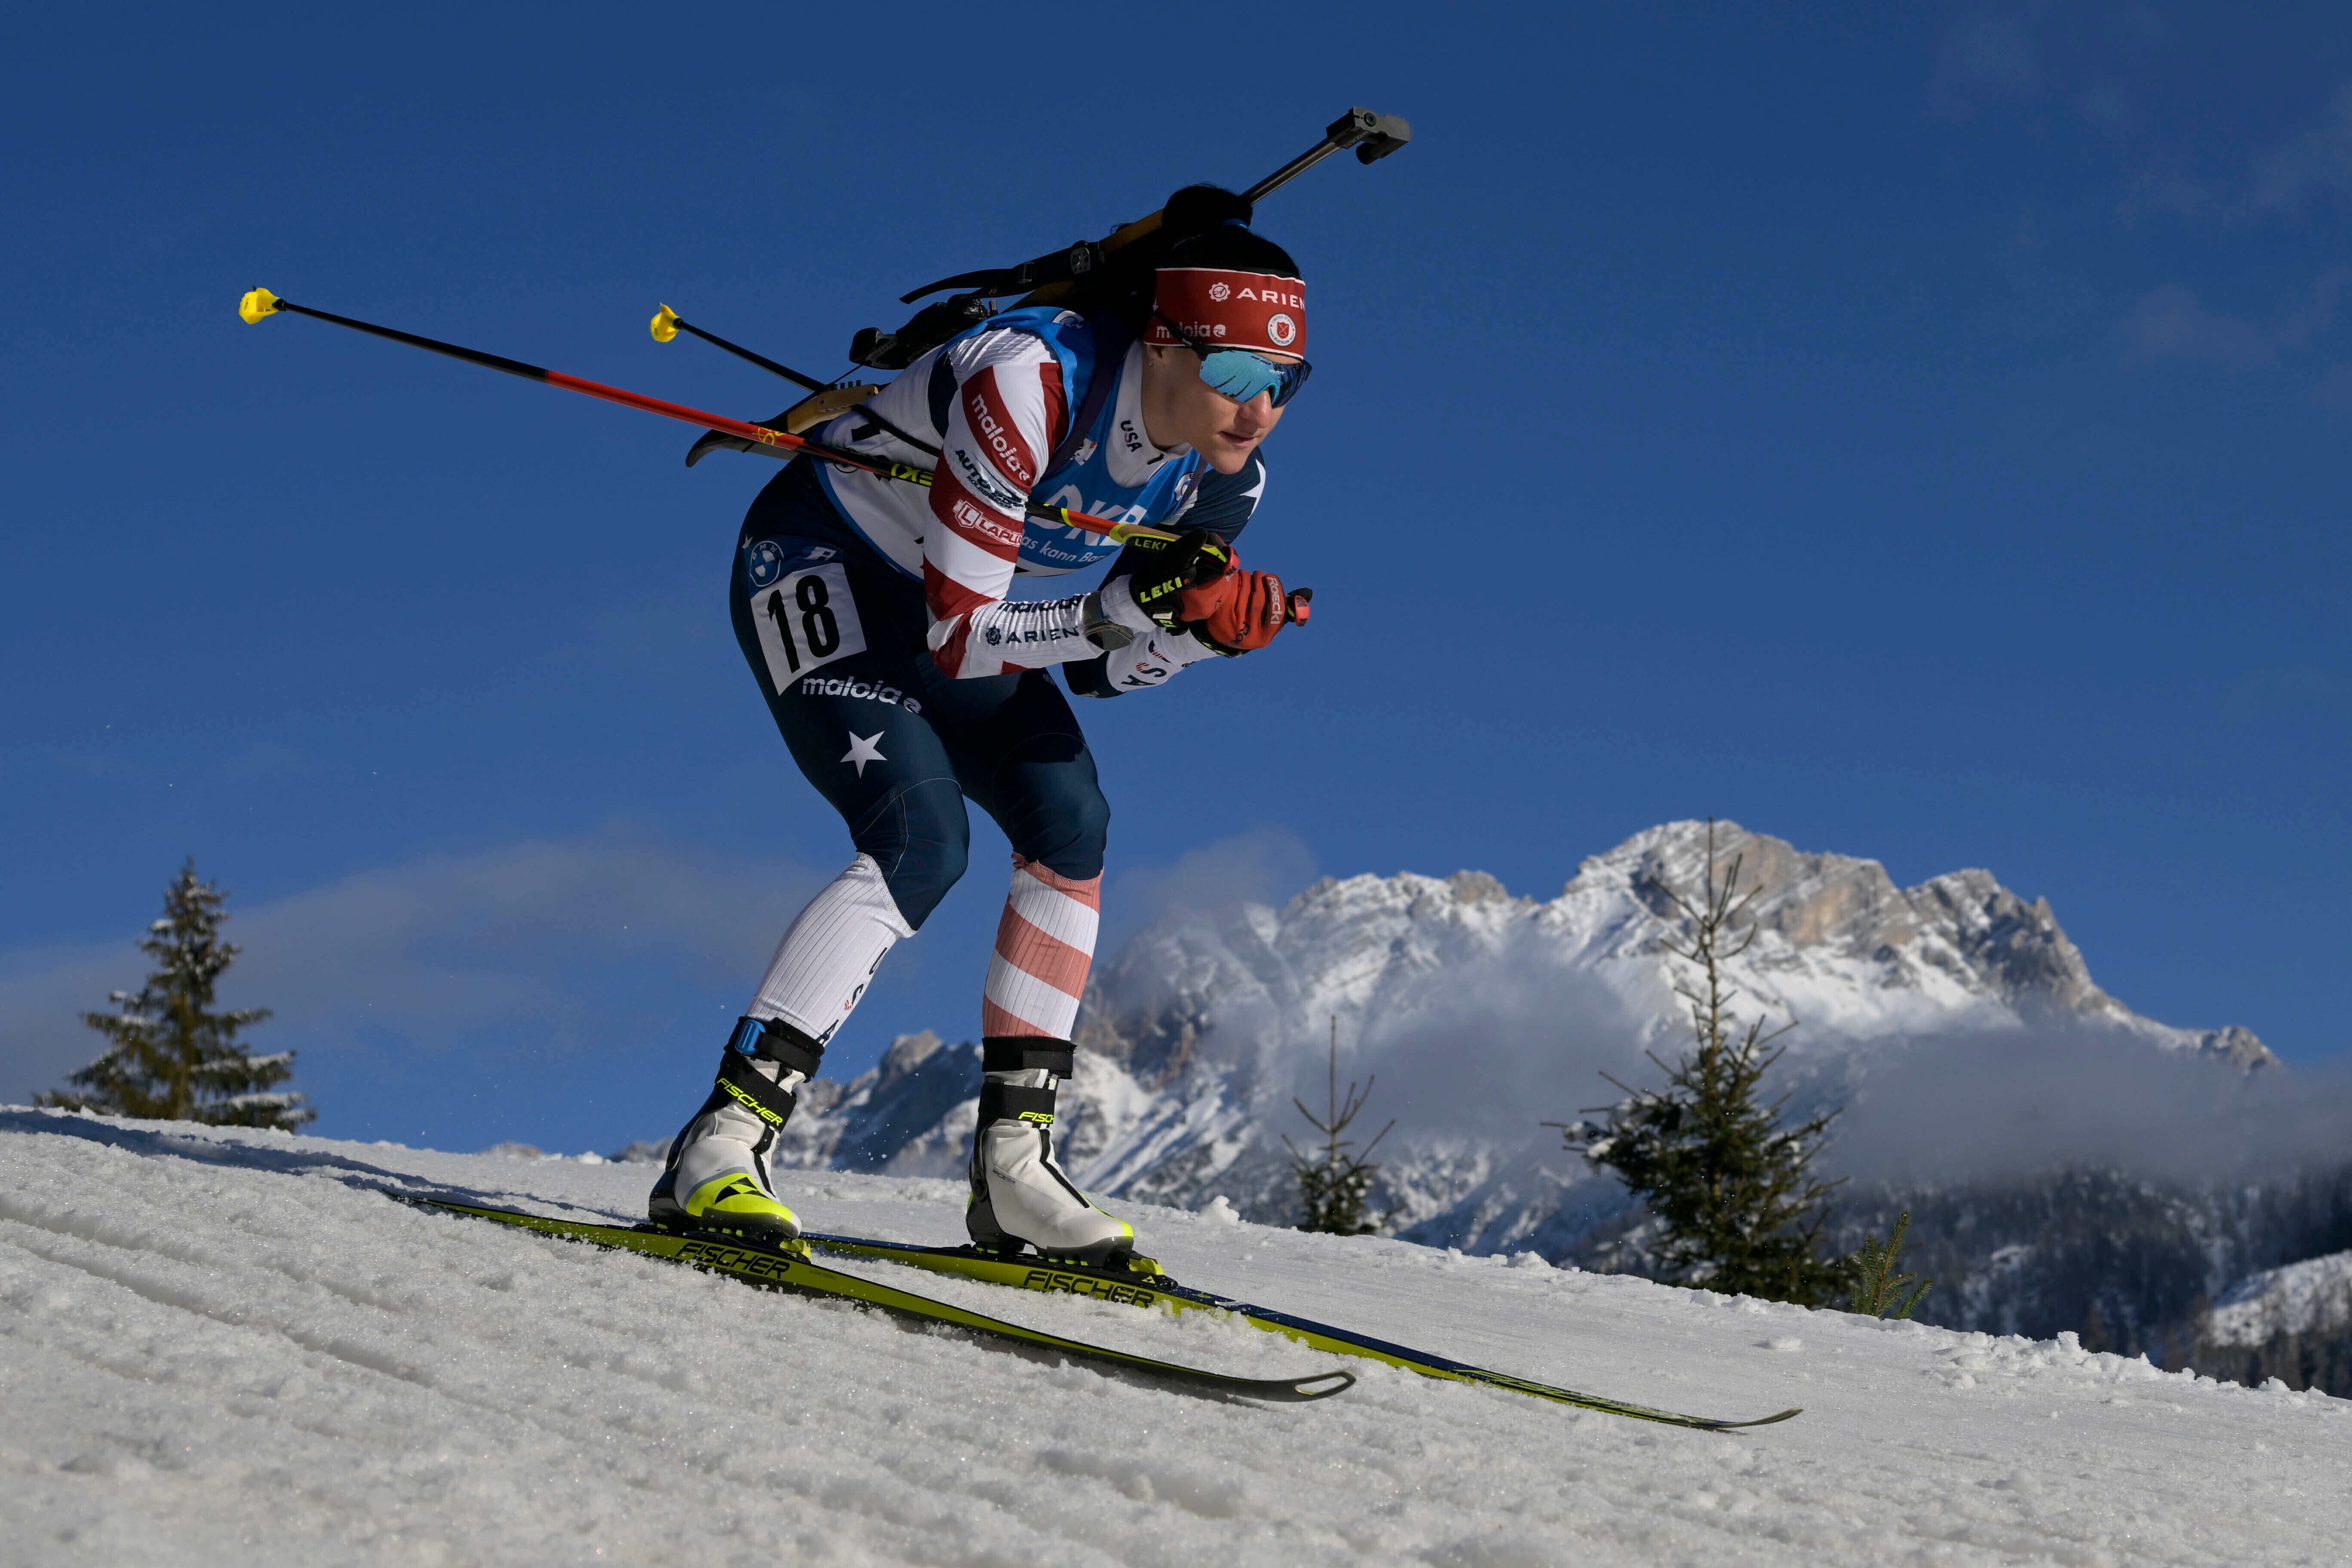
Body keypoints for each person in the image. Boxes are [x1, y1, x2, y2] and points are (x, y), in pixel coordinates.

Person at [646, 196, 1314, 1267]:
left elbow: (1096, 671)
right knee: (921, 838)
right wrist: (1124, 615)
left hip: (971, 616)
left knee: (1071, 822)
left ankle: (1014, 1171)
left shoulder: (1225, 479)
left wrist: (1198, 640)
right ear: (1162, 343)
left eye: (1286, 382)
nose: (1259, 409)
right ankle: (718, 1144)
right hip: (832, 564)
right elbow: (966, 638)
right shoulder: (1027, 379)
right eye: (1236, 375)